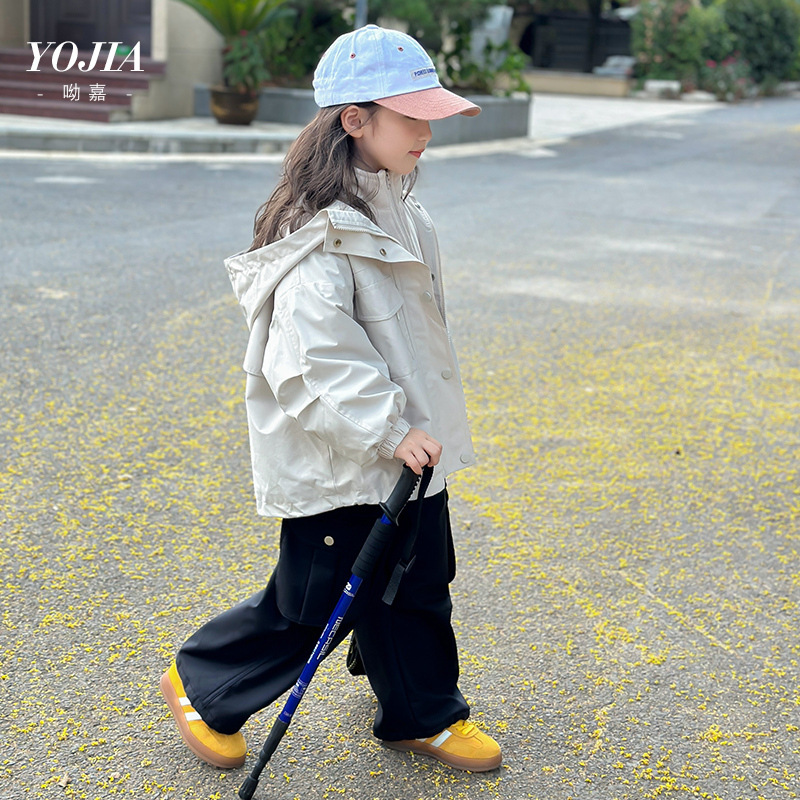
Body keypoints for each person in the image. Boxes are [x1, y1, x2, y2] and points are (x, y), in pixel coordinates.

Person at [159, 24, 501, 775]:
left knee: (418, 584)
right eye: (412, 118)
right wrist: (388, 429)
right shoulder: (316, 233)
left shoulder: (404, 211)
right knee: (312, 603)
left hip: (411, 449)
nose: (428, 133)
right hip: (348, 454)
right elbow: (318, 361)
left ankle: (421, 713)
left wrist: (413, 430)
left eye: (431, 116)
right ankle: (203, 683)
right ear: (355, 120)